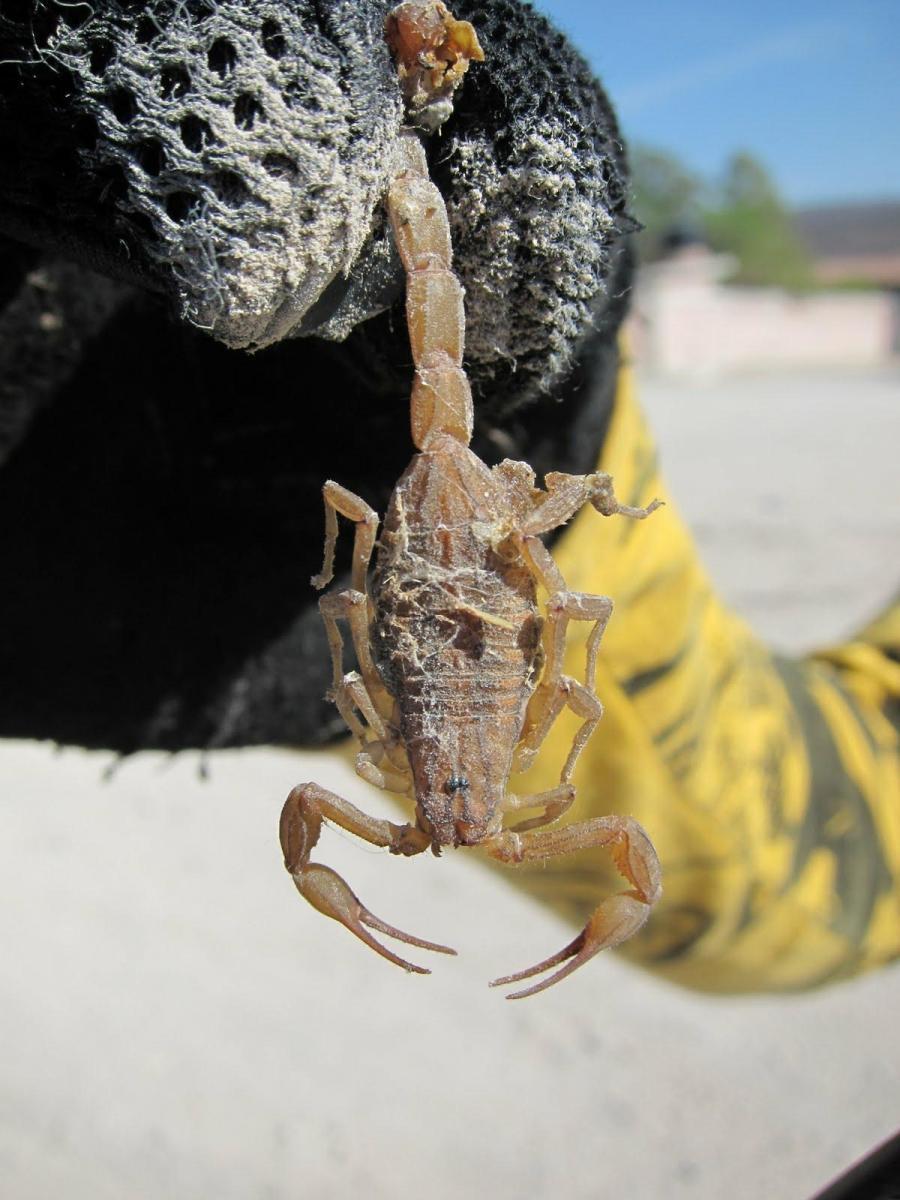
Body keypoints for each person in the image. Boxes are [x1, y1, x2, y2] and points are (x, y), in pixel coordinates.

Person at [0, 0, 896, 992]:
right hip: (470, 552)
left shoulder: (424, 784)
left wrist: (370, 599)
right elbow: (554, 688)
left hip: (439, 563)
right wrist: (562, 501)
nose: (459, 831)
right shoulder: (519, 785)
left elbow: (376, 672)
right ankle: (409, 155)